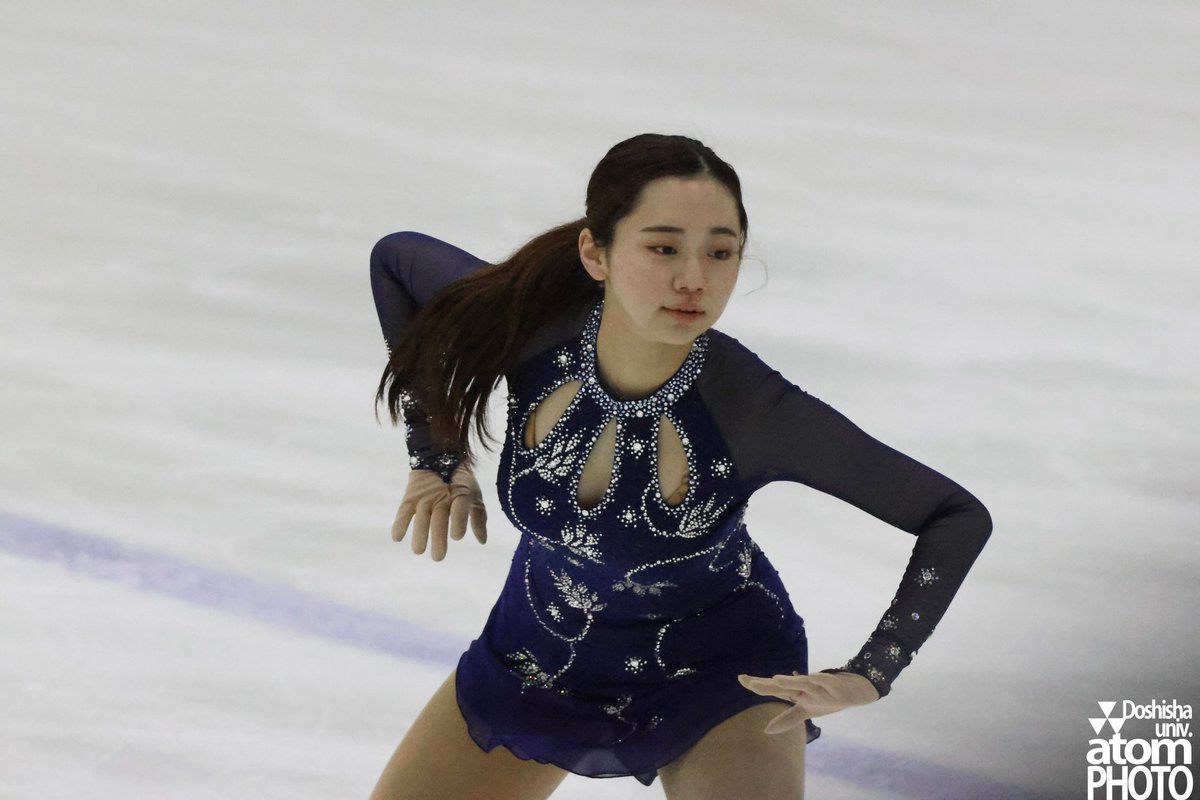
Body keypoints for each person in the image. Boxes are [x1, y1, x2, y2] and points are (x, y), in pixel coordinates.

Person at [366, 133, 992, 800]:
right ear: (595, 253)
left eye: (720, 253)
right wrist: (435, 455)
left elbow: (953, 516)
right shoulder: (531, 331)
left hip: (721, 678)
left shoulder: (753, 409)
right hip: (534, 656)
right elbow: (396, 262)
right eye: (663, 248)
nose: (695, 279)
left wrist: (874, 670)